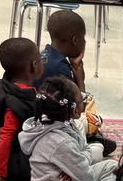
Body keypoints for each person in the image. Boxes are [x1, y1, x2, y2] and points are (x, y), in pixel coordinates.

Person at [19, 76, 118, 181]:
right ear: (75, 110)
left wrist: (75, 169)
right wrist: (79, 169)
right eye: (82, 100)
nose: (84, 101)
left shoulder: (65, 123)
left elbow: (85, 150)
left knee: (111, 166)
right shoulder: (60, 141)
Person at [34, 9, 116, 156]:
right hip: (52, 126)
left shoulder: (46, 56)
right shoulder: (60, 67)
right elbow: (77, 108)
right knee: (90, 112)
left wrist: (76, 67)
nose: (84, 42)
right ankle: (90, 140)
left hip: (41, 117)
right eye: (83, 38)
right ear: (75, 40)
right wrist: (79, 75)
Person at [0, 37, 42, 181]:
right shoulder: (16, 101)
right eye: (41, 60)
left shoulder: (6, 88)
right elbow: (6, 137)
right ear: (34, 66)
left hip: (17, 158)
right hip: (16, 168)